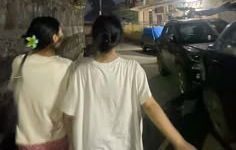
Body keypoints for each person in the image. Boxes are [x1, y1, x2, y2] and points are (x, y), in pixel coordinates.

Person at [62, 15, 197, 150]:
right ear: (119, 37)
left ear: (93, 37)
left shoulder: (81, 72)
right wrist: (180, 142)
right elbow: (150, 106)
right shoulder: (133, 70)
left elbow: (68, 115)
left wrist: (72, 144)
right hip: (125, 145)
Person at [9, 16, 72, 150]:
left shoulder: (19, 62)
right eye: (60, 30)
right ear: (54, 38)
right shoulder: (66, 66)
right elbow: (70, 108)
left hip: (26, 142)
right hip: (56, 138)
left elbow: (15, 92)